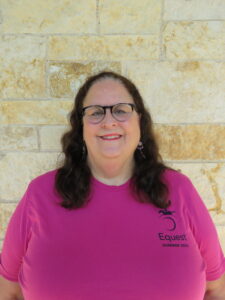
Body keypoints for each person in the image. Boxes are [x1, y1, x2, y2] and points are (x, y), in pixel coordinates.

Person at [0, 71, 225, 300]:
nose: (109, 121)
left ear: (140, 122)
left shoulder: (179, 191)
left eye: (120, 110)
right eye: (96, 112)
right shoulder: (40, 194)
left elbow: (216, 290)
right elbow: (7, 291)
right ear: (81, 128)